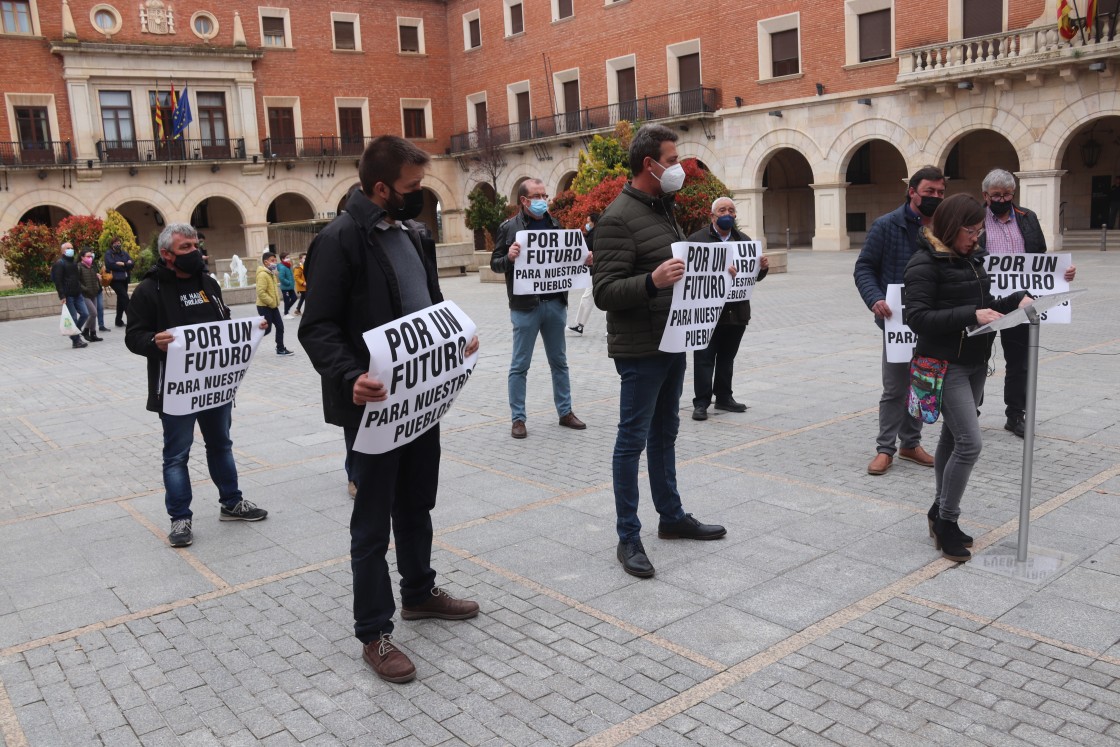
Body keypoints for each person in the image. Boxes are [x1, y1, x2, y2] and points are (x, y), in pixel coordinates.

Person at [299, 135, 480, 684]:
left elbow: (429, 303)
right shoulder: (339, 240)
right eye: (411, 188)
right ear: (381, 189)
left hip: (420, 399)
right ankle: (373, 632)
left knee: (417, 501)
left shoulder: (412, 233)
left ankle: (420, 592)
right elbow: (316, 326)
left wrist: (458, 335)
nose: (418, 196)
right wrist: (350, 375)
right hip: (371, 408)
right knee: (373, 522)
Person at [592, 123, 726, 579]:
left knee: (665, 432)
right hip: (640, 348)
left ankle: (671, 518)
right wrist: (652, 281)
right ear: (649, 165)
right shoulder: (616, 218)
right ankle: (628, 535)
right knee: (632, 440)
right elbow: (604, 292)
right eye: (671, 160)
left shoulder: (663, 208)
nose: (678, 168)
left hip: (673, 340)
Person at [903, 194, 1032, 562]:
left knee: (952, 436)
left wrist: (1015, 301)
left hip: (975, 361)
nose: (976, 238)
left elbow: (985, 306)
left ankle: (939, 512)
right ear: (949, 227)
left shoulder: (972, 259)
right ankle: (947, 521)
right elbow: (918, 318)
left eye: (979, 231)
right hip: (943, 364)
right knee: (970, 443)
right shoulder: (923, 263)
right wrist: (971, 315)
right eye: (970, 231)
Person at [125, 223, 269, 548]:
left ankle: (231, 502)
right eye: (185, 248)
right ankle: (180, 518)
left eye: (195, 244)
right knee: (176, 455)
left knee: (221, 444)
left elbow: (224, 326)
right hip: (176, 392)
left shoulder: (208, 284)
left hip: (213, 387)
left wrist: (252, 330)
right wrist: (152, 340)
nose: (195, 252)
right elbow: (133, 336)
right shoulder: (150, 290)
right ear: (166, 254)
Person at [853, 166, 944, 476]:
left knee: (922, 384)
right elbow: (864, 268)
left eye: (940, 192)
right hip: (897, 323)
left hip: (934, 320)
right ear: (912, 192)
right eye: (929, 191)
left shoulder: (946, 226)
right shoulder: (886, 225)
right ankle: (885, 448)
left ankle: (910, 443)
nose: (935, 197)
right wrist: (875, 298)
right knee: (895, 387)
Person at [978, 168, 1077, 438]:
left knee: (1019, 360)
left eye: (1007, 194)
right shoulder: (973, 219)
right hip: (984, 299)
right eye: (996, 195)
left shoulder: (1027, 217)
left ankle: (1015, 414)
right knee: (976, 358)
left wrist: (1063, 273)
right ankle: (970, 412)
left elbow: (1041, 259)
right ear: (985, 195)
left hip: (1020, 301)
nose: (1002, 198)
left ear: (1014, 193)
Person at [490, 178, 588, 439]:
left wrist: (584, 259)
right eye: (537, 196)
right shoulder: (509, 228)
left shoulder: (555, 224)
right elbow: (495, 263)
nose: (543, 200)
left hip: (554, 304)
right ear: (524, 200)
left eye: (545, 195)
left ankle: (565, 412)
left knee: (559, 362)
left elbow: (566, 259)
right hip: (525, 308)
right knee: (520, 365)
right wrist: (508, 258)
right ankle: (518, 419)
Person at [688, 197, 769, 421]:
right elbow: (689, 276)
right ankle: (701, 402)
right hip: (707, 314)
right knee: (704, 358)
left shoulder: (744, 241)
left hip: (736, 313)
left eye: (731, 210)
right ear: (712, 216)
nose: (728, 213)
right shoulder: (697, 240)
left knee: (727, 357)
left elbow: (753, 278)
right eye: (722, 210)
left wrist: (762, 269)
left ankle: (724, 396)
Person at [50, 242, 88, 349]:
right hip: (68, 295)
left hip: (77, 293)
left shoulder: (74, 262)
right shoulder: (59, 263)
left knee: (85, 314)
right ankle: (76, 341)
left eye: (72, 248)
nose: (71, 250)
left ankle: (74, 333)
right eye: (68, 248)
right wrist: (62, 296)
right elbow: (58, 281)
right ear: (62, 251)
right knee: (73, 318)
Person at [256, 252, 294, 356]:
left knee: (280, 327)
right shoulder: (263, 274)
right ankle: (247, 342)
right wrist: (272, 302)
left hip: (272, 306)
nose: (275, 263)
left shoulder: (271, 273)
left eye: (275, 260)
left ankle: (280, 349)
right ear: (266, 262)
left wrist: (274, 303)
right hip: (264, 306)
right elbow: (260, 292)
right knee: (266, 330)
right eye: (272, 260)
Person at [569, 213, 599, 335]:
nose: (587, 224)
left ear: (594, 221)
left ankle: (580, 325)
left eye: (588, 221)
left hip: (597, 270)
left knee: (588, 297)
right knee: (591, 297)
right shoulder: (595, 233)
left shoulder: (595, 234)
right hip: (597, 269)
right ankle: (580, 325)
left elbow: (588, 248)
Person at [106, 238, 134, 327]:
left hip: (124, 279)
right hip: (115, 280)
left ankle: (118, 321)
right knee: (125, 298)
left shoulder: (124, 253)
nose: (118, 244)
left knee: (121, 299)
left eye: (119, 243)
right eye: (116, 243)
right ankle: (132, 321)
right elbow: (111, 265)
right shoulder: (109, 254)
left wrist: (123, 264)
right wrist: (126, 265)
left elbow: (132, 263)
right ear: (112, 244)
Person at [76, 248, 104, 342]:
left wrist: (98, 281)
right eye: (88, 256)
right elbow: (77, 282)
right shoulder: (79, 267)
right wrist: (85, 289)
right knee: (93, 313)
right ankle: (85, 330)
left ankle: (93, 333)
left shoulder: (92, 266)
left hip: (94, 293)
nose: (90, 258)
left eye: (91, 256)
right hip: (85, 294)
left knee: (94, 314)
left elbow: (95, 279)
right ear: (82, 257)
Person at [279, 252, 297, 317]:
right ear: (282, 259)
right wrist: (288, 282)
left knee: (294, 298)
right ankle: (286, 314)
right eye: (287, 257)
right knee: (286, 300)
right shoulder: (283, 267)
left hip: (290, 287)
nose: (289, 258)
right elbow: (281, 277)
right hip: (285, 287)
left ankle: (286, 309)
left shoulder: (288, 266)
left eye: (289, 257)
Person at [292, 252, 307, 316]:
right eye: (305, 258)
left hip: (306, 286)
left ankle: (298, 309)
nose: (306, 259)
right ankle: (307, 312)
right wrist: (303, 282)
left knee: (303, 298)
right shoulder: (298, 267)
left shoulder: (306, 266)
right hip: (302, 286)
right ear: (300, 259)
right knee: (307, 298)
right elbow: (296, 277)